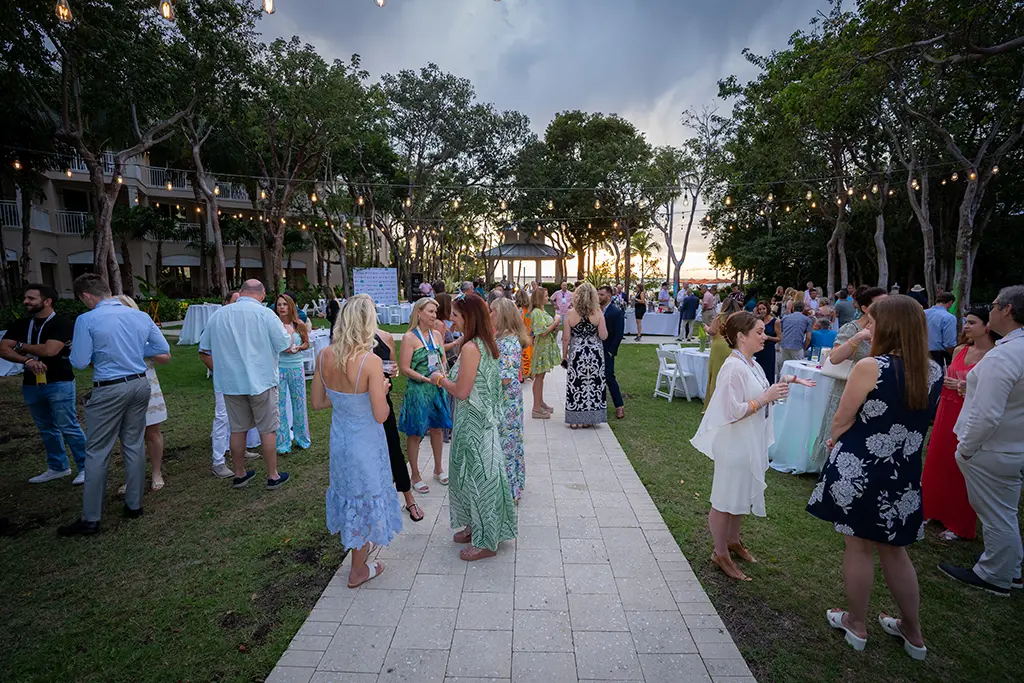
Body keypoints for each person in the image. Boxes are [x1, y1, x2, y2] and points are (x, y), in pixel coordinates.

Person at [807, 295, 939, 660]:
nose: (869, 327)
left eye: (873, 321)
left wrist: (834, 440)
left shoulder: (872, 366)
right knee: (896, 551)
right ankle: (913, 632)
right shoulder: (934, 370)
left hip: (861, 469)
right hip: (904, 473)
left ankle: (857, 622)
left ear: (890, 325)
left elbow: (842, 417)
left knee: (859, 546)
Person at [691, 311, 812, 581]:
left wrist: (784, 383)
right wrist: (765, 398)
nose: (765, 336)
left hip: (749, 438)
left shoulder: (751, 363)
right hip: (734, 441)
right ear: (740, 337)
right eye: (758, 332)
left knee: (740, 493)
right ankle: (719, 552)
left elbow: (760, 391)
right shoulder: (733, 366)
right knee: (724, 499)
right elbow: (731, 410)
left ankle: (733, 541)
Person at [58, 274, 170, 536]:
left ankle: (91, 518)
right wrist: (131, 351)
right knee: (132, 443)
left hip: (109, 387)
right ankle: (134, 505)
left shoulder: (87, 319)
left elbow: (79, 361)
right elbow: (161, 346)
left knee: (97, 450)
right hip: (140, 384)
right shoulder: (140, 316)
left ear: (86, 296)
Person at [311, 294, 402, 587]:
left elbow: (318, 403)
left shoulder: (325, 355)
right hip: (365, 442)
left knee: (351, 495)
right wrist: (384, 387)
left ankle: (357, 559)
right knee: (364, 498)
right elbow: (380, 415)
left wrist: (345, 401)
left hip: (341, 440)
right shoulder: (370, 362)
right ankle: (358, 570)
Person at [939, 285, 1024, 597]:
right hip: (1010, 444)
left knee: (995, 513)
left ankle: (995, 574)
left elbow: (986, 414)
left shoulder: (1005, 355)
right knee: (1003, 510)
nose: (990, 311)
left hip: (992, 446)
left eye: (993, 305)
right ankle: (1009, 567)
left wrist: (967, 447)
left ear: (1006, 310)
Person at [429, 295, 517, 561]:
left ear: (468, 317)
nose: (451, 320)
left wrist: (439, 380)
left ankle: (487, 540)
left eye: (455, 315)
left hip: (475, 423)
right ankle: (472, 526)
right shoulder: (483, 343)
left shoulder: (471, 348)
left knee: (479, 478)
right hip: (475, 421)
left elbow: (463, 391)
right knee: (466, 476)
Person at [198, 279, 291, 491]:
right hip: (262, 380)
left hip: (231, 382)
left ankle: (239, 473)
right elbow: (284, 343)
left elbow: (205, 346)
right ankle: (272, 475)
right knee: (268, 430)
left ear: (241, 292)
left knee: (237, 430)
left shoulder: (219, 315)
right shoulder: (265, 314)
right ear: (263, 294)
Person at [922, 307, 997, 541]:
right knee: (937, 460)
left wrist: (964, 387)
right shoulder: (960, 350)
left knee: (960, 467)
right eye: (966, 322)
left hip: (969, 412)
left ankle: (958, 522)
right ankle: (931, 509)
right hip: (946, 408)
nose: (966, 326)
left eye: (972, 322)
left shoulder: (995, 355)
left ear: (987, 326)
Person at [0, 284, 87, 485]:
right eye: (26, 297)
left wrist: (21, 346)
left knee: (68, 425)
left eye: (31, 298)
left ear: (47, 301)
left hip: (59, 381)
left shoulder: (62, 323)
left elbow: (50, 351)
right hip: (31, 384)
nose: (26, 301)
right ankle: (58, 466)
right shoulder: (21, 324)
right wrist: (27, 360)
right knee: (45, 427)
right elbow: (4, 348)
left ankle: (86, 467)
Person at [808, 287, 888, 472]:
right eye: (881, 303)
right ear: (866, 308)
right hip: (846, 389)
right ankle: (830, 472)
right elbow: (834, 358)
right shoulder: (852, 328)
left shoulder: (888, 330)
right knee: (839, 431)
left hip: (874, 393)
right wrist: (859, 337)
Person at [114, 295, 170, 492]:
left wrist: (144, 349)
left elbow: (165, 356)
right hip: (119, 386)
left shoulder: (144, 328)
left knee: (152, 431)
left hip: (147, 384)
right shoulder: (109, 333)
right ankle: (132, 477)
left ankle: (156, 472)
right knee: (126, 435)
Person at [398, 297, 452, 492]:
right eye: (430, 311)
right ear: (419, 313)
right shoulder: (409, 337)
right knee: (416, 433)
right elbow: (404, 368)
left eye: (435, 312)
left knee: (437, 429)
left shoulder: (438, 335)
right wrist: (424, 378)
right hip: (418, 391)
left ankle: (438, 469)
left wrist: (444, 376)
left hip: (436, 389)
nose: (434, 316)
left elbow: (443, 359)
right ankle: (415, 474)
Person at [371, 320, 423, 522]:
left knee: (393, 448)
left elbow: (394, 367)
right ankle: (376, 503)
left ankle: (409, 499)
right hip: (360, 406)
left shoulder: (385, 337)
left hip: (384, 400)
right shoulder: (350, 342)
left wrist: (392, 371)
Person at [207, 291, 262, 478]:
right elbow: (204, 352)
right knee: (222, 417)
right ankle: (218, 460)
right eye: (236, 301)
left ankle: (240, 449)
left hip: (244, 379)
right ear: (226, 303)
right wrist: (221, 371)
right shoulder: (216, 321)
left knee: (243, 416)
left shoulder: (242, 323)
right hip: (225, 381)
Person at [491, 298, 529, 502]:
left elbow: (505, 377)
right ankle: (510, 484)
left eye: (493, 311)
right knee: (509, 441)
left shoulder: (509, 341)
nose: (490, 314)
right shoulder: (503, 338)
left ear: (503, 314)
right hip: (507, 398)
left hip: (506, 400)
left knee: (507, 441)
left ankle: (509, 489)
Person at [562, 283, 609, 429]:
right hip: (595, 354)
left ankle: (574, 420)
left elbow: (565, 338)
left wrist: (564, 355)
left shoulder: (570, 313)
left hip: (577, 353)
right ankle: (590, 419)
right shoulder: (598, 312)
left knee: (576, 385)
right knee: (593, 385)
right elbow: (603, 335)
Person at [273, 294, 311, 454]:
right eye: (279, 304)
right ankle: (282, 443)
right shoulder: (274, 325)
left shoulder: (299, 324)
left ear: (290, 306)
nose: (281, 307)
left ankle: (302, 438)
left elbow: (306, 343)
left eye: (284, 304)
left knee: (299, 403)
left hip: (296, 366)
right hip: (279, 367)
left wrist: (298, 348)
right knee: (279, 405)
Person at [528, 286, 561, 418]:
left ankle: (540, 402)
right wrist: (556, 321)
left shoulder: (542, 311)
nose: (548, 298)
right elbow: (541, 332)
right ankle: (536, 408)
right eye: (546, 296)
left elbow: (549, 329)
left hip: (546, 347)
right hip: (541, 349)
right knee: (539, 377)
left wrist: (555, 326)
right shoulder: (536, 312)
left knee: (542, 377)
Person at [704, 298, 742, 412]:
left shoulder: (719, 317)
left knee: (715, 373)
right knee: (730, 373)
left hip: (718, 347)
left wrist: (706, 328)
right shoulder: (738, 318)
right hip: (732, 346)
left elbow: (713, 331)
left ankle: (714, 403)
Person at [598, 285, 625, 419]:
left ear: (608, 296)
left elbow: (619, 334)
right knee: (597, 378)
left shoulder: (616, 312)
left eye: (601, 295)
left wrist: (611, 351)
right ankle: (600, 404)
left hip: (607, 350)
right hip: (595, 350)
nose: (599, 297)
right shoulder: (595, 311)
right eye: (598, 294)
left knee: (609, 377)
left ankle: (619, 406)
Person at [925, 292, 958, 366]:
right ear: (950, 303)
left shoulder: (922, 313)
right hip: (938, 355)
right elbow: (949, 343)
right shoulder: (949, 317)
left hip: (920, 352)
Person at [753, 301, 779, 383]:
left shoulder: (775, 322)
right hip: (757, 349)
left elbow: (779, 338)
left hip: (768, 350)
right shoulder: (757, 321)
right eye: (760, 309)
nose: (761, 311)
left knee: (768, 373)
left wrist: (768, 337)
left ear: (768, 308)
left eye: (763, 308)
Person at [514, 289, 533, 378]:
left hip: (518, 335)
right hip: (528, 334)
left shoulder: (515, 309)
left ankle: (523, 373)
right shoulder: (529, 309)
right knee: (528, 354)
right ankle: (527, 372)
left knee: (521, 354)